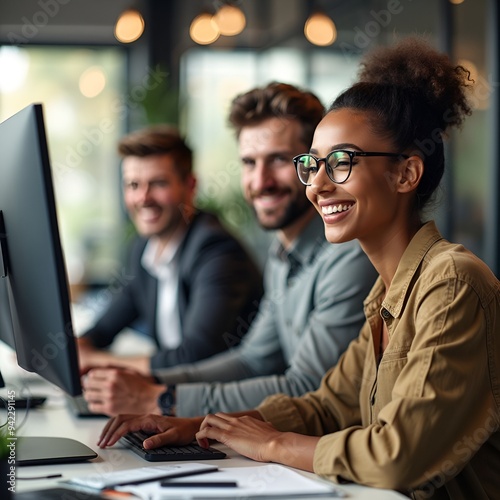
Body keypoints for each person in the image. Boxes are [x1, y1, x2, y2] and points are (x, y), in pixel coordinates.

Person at [98, 40, 500, 499]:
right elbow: (326, 405)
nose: (319, 185)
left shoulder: (451, 283)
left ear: (406, 174)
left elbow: (398, 456)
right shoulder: (387, 294)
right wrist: (202, 425)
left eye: (342, 162)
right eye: (312, 165)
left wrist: (271, 442)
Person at [82, 82, 377, 417]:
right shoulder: (282, 255)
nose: (261, 180)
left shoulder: (349, 253)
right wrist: (150, 386)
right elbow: (252, 361)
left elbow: (309, 387)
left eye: (278, 159)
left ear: (312, 163)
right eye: (249, 163)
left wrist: (161, 399)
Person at [77, 126, 263, 375]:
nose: (143, 198)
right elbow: (104, 329)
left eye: (158, 183)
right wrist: (75, 348)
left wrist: (95, 361)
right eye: (133, 185)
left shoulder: (216, 251)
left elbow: (196, 356)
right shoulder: (144, 248)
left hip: (222, 405)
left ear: (190, 186)